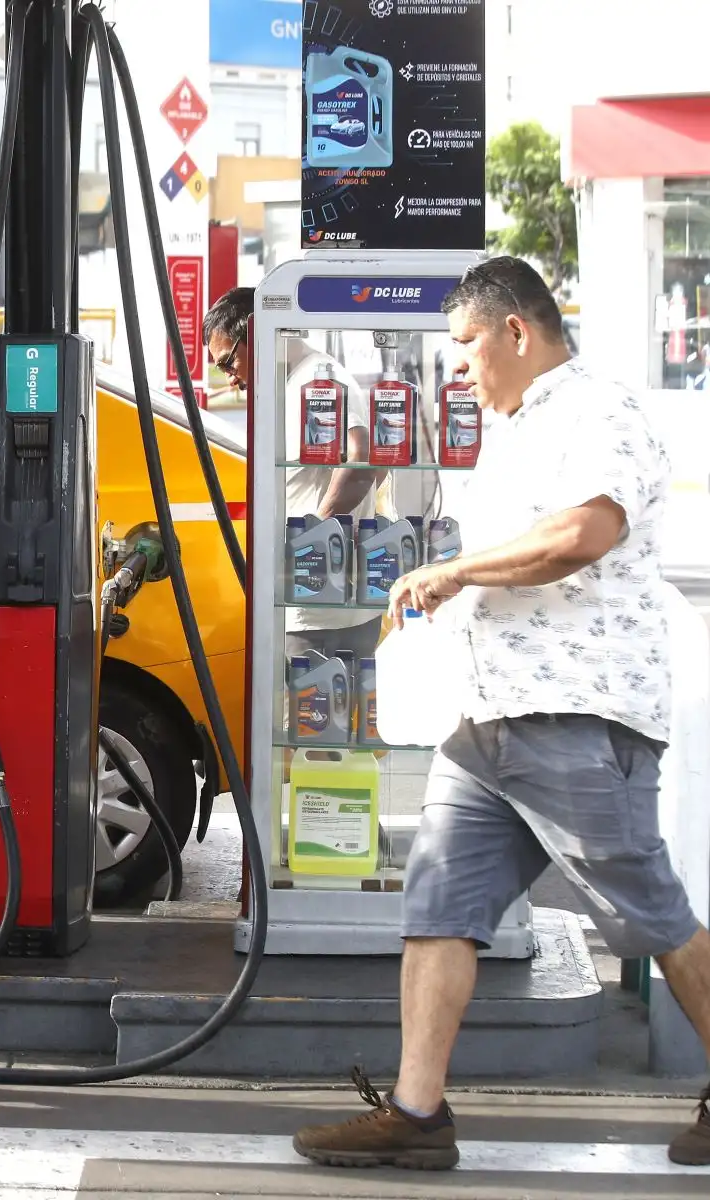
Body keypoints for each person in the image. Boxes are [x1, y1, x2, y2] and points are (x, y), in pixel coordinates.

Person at [291, 255, 710, 1169]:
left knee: (653, 918)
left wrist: (456, 571)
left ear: (517, 332)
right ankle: (417, 1113)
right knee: (438, 907)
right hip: (488, 722)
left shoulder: (599, 413)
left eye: (468, 345)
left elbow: (580, 536)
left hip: (572, 713)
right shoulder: (518, 427)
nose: (461, 369)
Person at [205, 286, 383, 661]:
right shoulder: (289, 383)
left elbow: (365, 459)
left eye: (227, 363)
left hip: (321, 612)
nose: (230, 379)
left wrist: (313, 535)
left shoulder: (317, 381)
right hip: (313, 597)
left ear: (253, 333)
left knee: (310, 714)